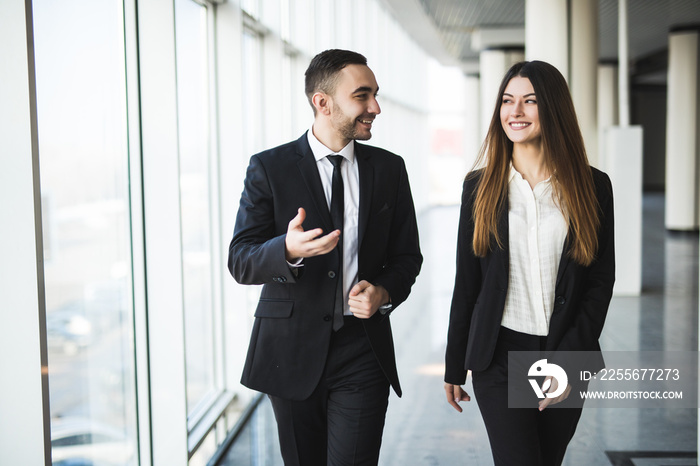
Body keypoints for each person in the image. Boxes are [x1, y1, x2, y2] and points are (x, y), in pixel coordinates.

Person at [228, 49, 422, 466]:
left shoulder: (389, 169)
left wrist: (384, 292)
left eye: (375, 95)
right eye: (362, 96)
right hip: (290, 351)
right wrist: (286, 250)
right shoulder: (269, 167)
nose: (375, 108)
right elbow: (241, 259)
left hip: (362, 350)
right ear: (323, 102)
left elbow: (408, 257)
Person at [443, 60, 615, 466]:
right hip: (500, 354)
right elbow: (467, 283)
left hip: (566, 350)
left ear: (553, 109)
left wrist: (569, 360)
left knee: (548, 459)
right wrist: (454, 365)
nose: (514, 111)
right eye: (507, 100)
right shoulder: (479, 187)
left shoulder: (593, 186)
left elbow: (599, 282)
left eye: (529, 101)